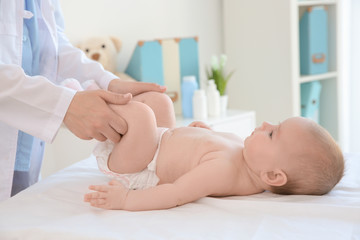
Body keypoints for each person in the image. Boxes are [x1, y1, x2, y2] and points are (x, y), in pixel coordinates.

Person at [0, 0, 165, 201]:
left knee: (159, 103)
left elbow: (52, 48)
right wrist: (65, 106)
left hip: (24, 157)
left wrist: (109, 82)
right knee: (147, 111)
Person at [84, 92, 345, 211]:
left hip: (139, 167)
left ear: (273, 176)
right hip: (157, 142)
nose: (265, 124)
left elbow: (175, 193)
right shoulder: (243, 152)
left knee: (142, 114)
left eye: (272, 133)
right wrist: (204, 132)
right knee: (159, 100)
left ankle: (84, 98)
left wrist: (125, 200)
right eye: (275, 123)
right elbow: (206, 147)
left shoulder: (224, 171)